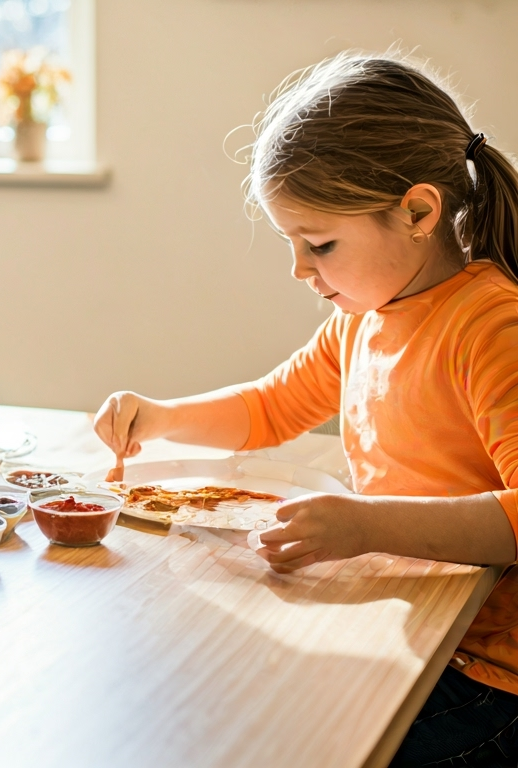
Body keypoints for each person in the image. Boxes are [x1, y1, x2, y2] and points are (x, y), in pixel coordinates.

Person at [92, 53, 518, 767]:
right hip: (416, 623)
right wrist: (161, 416)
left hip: (489, 676)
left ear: (418, 212)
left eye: (318, 244)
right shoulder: (364, 318)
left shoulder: (492, 326)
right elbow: (273, 407)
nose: (299, 269)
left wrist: (364, 524)